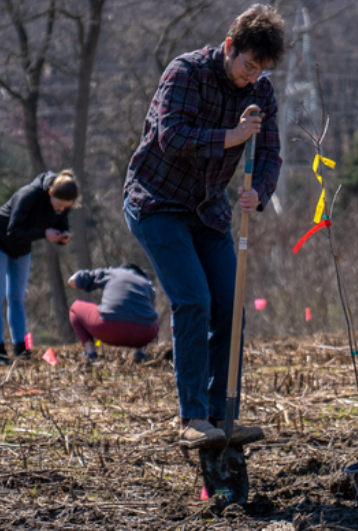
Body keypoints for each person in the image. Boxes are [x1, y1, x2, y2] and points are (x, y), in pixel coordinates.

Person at [122, 5, 283, 449]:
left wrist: (260, 192)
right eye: (247, 65)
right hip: (156, 203)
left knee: (230, 307)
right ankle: (191, 417)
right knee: (193, 299)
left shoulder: (262, 93)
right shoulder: (185, 72)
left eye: (261, 69)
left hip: (208, 210)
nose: (252, 76)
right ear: (229, 47)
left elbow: (270, 154)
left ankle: (221, 416)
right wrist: (229, 137)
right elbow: (170, 137)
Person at [0, 170, 77, 365]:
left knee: (17, 297)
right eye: (58, 206)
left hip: (22, 247)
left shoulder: (63, 204)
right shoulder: (28, 195)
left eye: (65, 208)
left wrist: (62, 237)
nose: (60, 211)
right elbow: (13, 231)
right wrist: (44, 233)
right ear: (51, 193)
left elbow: (60, 224)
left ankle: (21, 348)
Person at [68, 264, 160, 361]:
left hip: (110, 329)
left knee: (75, 307)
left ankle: (90, 352)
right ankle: (140, 353)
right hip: (145, 334)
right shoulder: (146, 283)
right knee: (150, 316)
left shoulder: (112, 272)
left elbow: (73, 281)